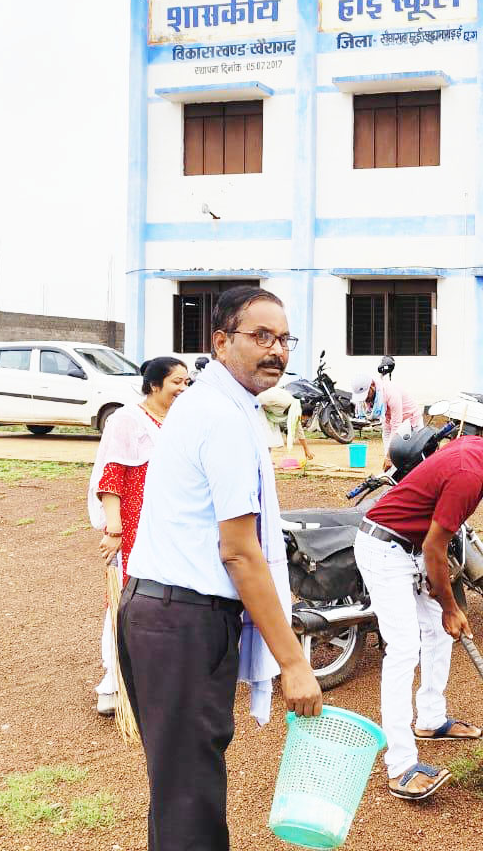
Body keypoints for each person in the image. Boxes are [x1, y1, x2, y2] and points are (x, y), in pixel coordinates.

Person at [119, 287, 322, 851]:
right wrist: (293, 663)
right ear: (221, 341)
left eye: (284, 339)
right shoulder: (223, 417)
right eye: (260, 337)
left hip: (161, 612)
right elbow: (239, 551)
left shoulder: (213, 404)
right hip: (181, 619)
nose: (276, 350)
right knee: (190, 801)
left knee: (180, 789)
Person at [355, 419, 483, 801]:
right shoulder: (471, 469)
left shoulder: (479, 453)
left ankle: (430, 719)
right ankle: (400, 766)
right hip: (385, 548)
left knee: (438, 630)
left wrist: (445, 603)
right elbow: (436, 545)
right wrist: (449, 605)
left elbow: (434, 540)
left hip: (409, 546)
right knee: (403, 648)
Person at [88, 356, 189, 717]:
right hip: (133, 527)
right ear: (154, 384)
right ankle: (115, 683)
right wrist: (114, 528)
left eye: (186, 382)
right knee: (130, 600)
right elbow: (112, 476)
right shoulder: (127, 421)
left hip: (168, 525)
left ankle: (154, 678)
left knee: (167, 597)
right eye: (177, 381)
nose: (183, 388)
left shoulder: (176, 420)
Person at [355, 371, 424, 469]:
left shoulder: (390, 393)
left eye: (366, 394)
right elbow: (387, 427)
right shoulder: (375, 398)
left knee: (413, 458)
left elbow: (397, 425)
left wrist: (389, 457)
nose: (365, 399)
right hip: (391, 422)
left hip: (412, 421)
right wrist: (388, 456)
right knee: (393, 458)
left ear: (372, 386)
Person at [257, 385, 314, 460]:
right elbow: (258, 398)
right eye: (304, 418)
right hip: (257, 405)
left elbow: (300, 432)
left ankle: (265, 460)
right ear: (302, 413)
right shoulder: (283, 401)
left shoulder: (294, 413)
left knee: (270, 438)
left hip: (267, 413)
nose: (303, 421)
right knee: (265, 435)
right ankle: (261, 460)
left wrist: (306, 450)